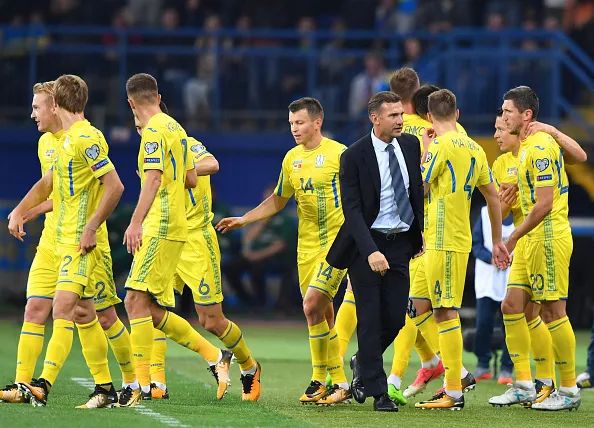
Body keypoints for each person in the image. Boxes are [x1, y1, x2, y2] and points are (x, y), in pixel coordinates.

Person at [217, 97, 351, 405]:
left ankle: (320, 378)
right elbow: (278, 199)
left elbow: (359, 197)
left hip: (336, 245)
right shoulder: (291, 159)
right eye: (291, 123)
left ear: (318, 122)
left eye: (300, 122)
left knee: (311, 305)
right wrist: (244, 219)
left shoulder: (339, 154)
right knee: (320, 313)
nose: (295, 128)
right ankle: (338, 384)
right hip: (306, 247)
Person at [9, 75, 126, 408]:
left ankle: (133, 381)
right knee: (74, 312)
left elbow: (113, 186)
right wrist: (22, 210)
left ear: (55, 106)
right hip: (53, 240)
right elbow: (50, 184)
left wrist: (90, 228)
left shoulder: (84, 138)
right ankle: (102, 387)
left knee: (97, 314)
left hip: (82, 242)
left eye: (37, 107)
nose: (33, 114)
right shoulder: (53, 143)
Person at [122, 73, 229, 403]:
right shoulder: (177, 128)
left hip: (160, 225)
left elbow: (153, 180)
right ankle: (212, 357)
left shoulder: (153, 130)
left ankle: (138, 386)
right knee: (146, 306)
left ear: (131, 103)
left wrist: (135, 221)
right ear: (158, 95)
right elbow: (192, 179)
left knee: (134, 302)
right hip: (175, 226)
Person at [327, 91, 424, 412]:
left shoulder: (410, 146)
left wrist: (417, 234)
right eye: (393, 115)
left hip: (400, 243)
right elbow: (352, 211)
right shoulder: (354, 156)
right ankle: (379, 393)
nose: (400, 120)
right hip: (365, 245)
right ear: (375, 119)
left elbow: (414, 191)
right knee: (368, 318)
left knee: (395, 318)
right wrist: (370, 251)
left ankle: (362, 361)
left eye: (401, 114)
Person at [489, 86, 583, 411]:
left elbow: (544, 204)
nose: (502, 119)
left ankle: (568, 390)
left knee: (553, 311)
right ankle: (526, 384)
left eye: (507, 112)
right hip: (530, 240)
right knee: (511, 305)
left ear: (526, 115)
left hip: (547, 236)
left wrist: (511, 239)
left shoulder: (541, 146)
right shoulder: (523, 151)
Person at [414, 89, 510, 410]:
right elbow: (493, 197)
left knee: (444, 311)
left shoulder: (439, 144)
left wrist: (426, 147)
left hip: (443, 238)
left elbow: (421, 186)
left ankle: (453, 390)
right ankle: (458, 373)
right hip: (452, 238)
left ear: (429, 117)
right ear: (457, 114)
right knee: (415, 305)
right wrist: (496, 240)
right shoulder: (475, 148)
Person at [223, 184, 297, 310]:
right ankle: (248, 302)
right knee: (231, 267)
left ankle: (262, 305)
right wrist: (264, 220)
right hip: (255, 256)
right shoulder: (260, 217)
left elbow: (280, 246)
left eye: (271, 196)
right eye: (266, 196)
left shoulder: (285, 219)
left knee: (257, 269)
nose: (267, 199)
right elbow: (249, 238)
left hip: (276, 259)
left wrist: (257, 256)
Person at [471, 205, 514, 383]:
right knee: (484, 323)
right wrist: (492, 258)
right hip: (487, 279)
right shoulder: (483, 212)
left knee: (511, 326)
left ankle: (506, 368)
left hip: (511, 279)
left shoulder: (521, 213)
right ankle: (482, 364)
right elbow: (476, 245)